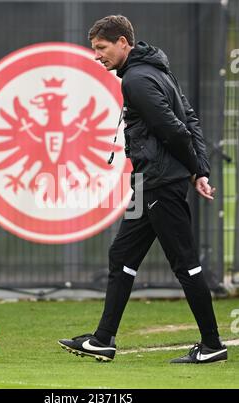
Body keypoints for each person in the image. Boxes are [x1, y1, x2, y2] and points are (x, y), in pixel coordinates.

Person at [58, 15, 227, 364]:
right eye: (94, 49)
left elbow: (175, 130)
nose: (97, 56)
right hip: (148, 182)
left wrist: (197, 169)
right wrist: (199, 170)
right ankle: (103, 339)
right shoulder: (156, 70)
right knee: (122, 256)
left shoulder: (136, 79)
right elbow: (190, 118)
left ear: (123, 43)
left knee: (186, 264)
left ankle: (212, 345)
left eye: (102, 48)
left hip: (159, 184)